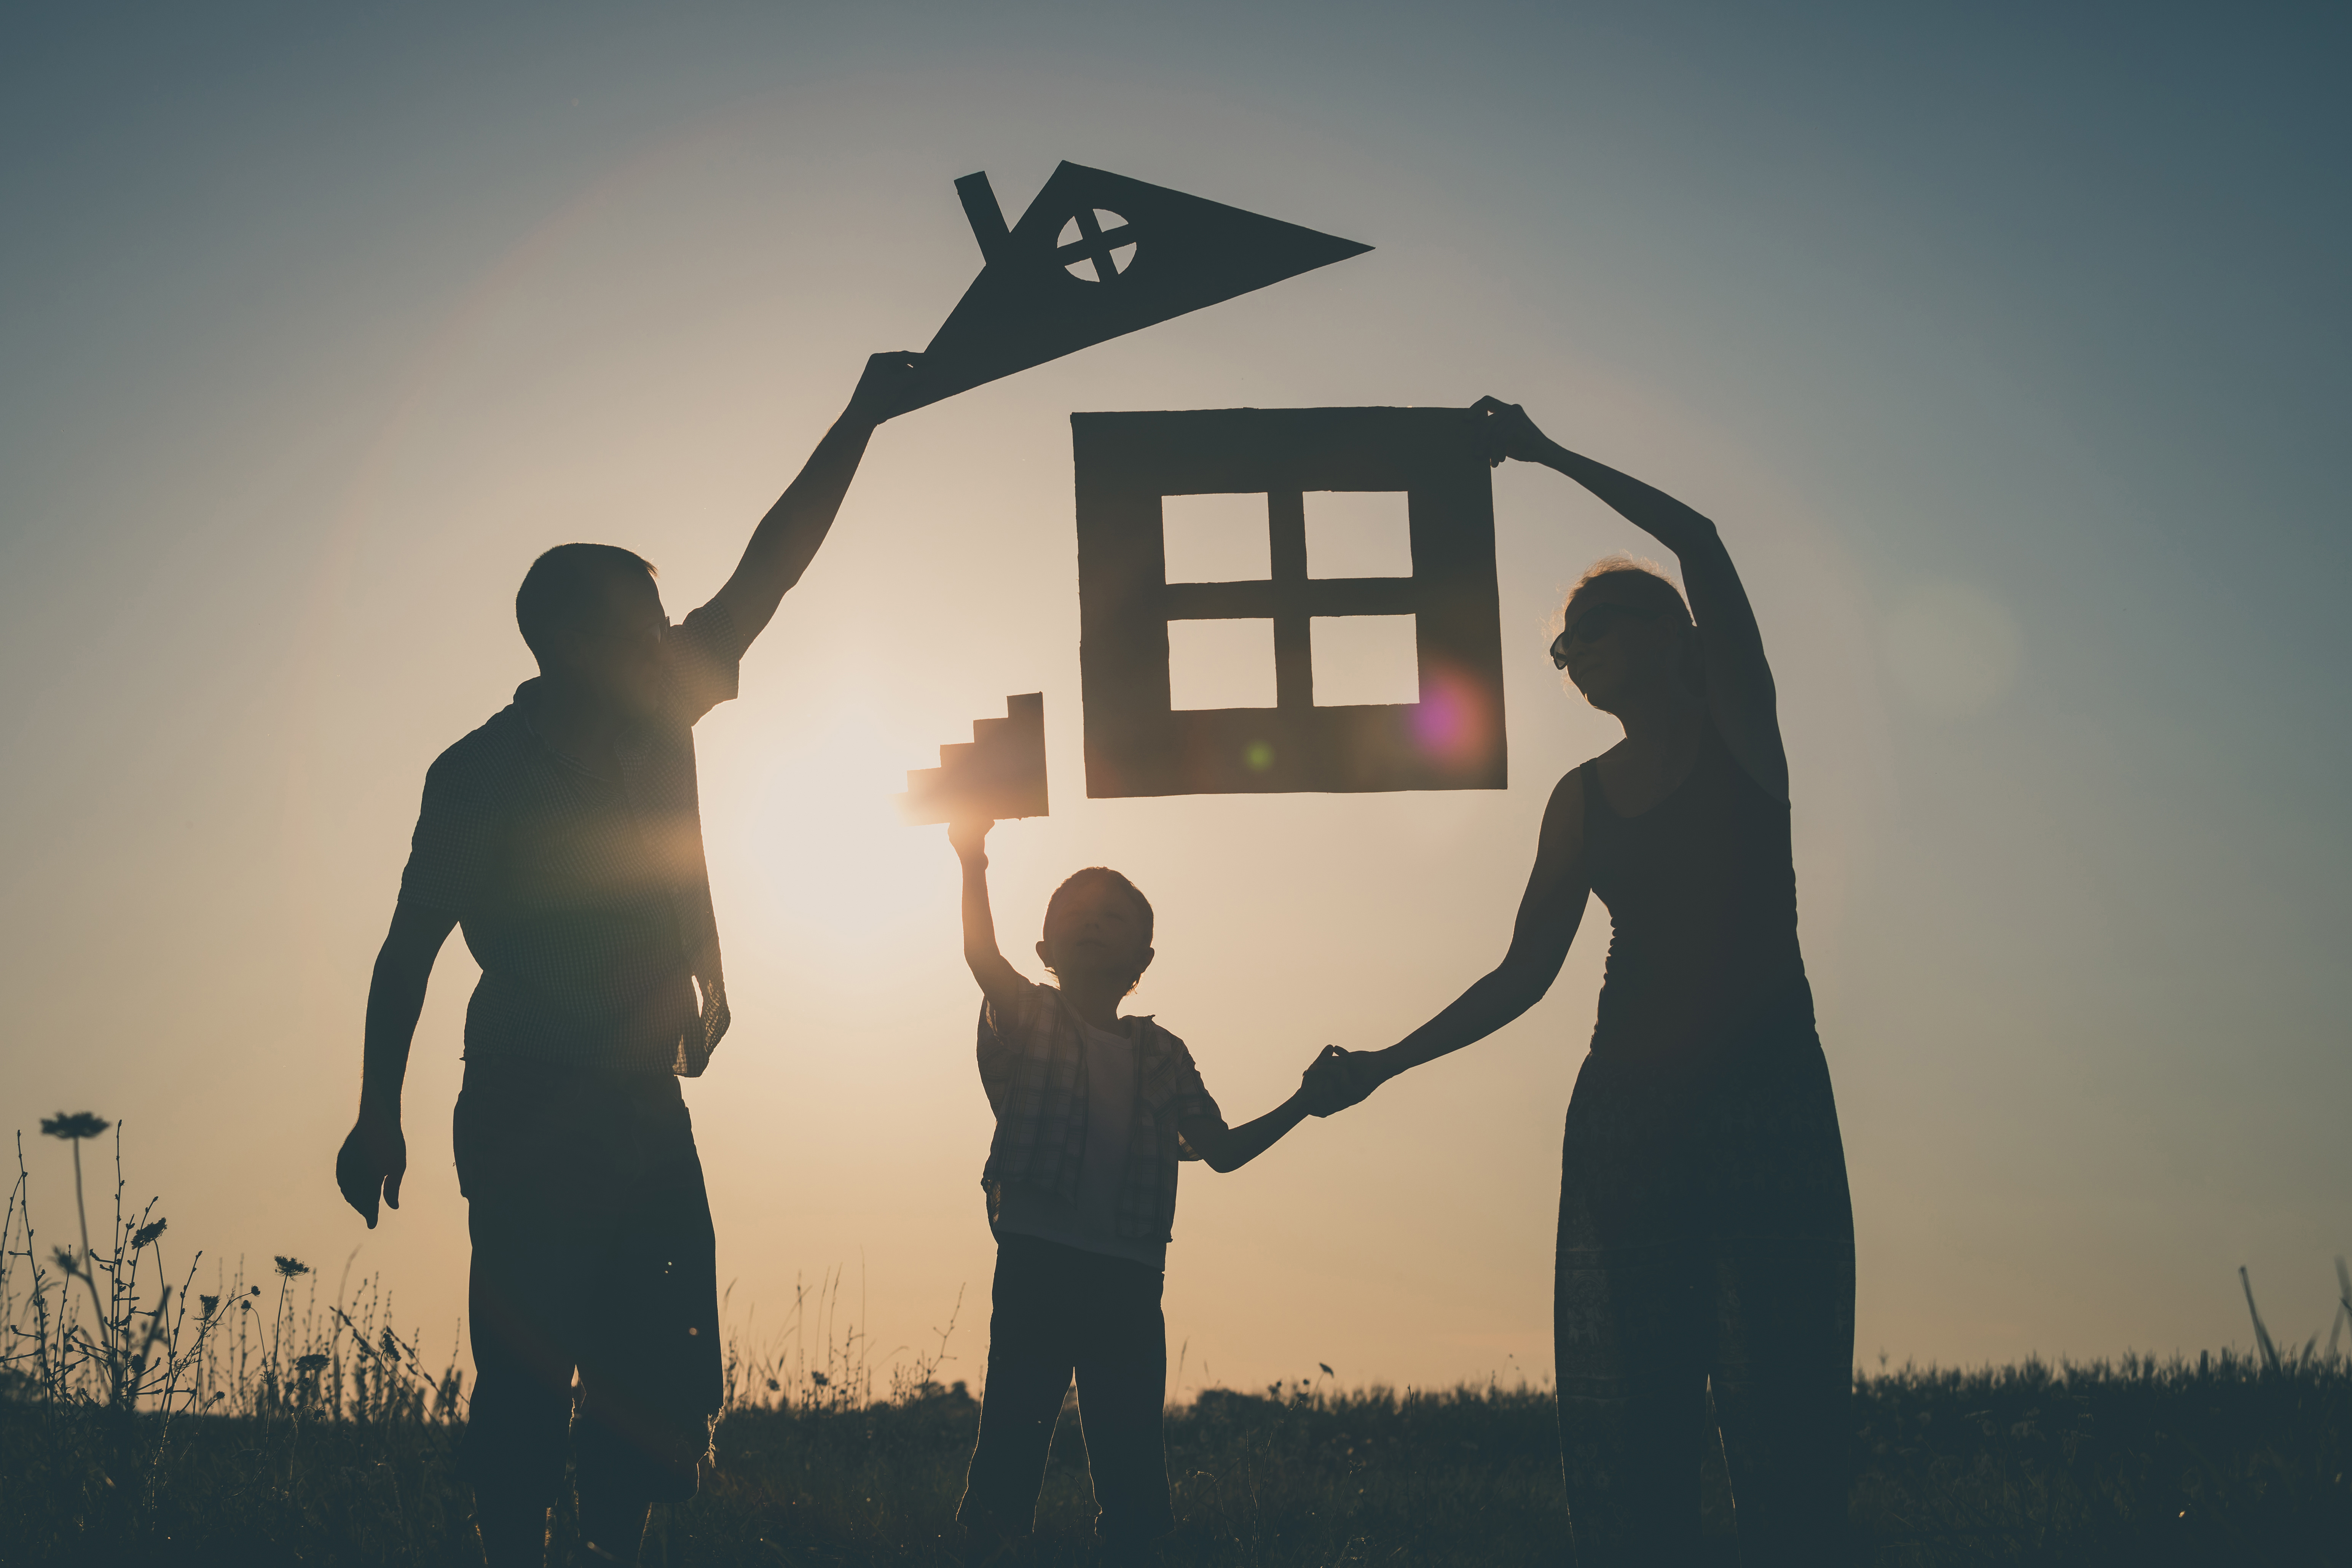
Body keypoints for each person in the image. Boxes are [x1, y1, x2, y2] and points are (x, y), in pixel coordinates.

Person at [332, 350, 923, 1568]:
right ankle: (514, 1547)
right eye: (645, 619)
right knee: (530, 1355)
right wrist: (372, 1115)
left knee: (651, 1355)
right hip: (528, 1091)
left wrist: (861, 417)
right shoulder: (478, 772)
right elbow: (410, 949)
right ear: (572, 639)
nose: (671, 632)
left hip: (641, 1095)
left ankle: (605, 1551)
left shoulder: (660, 712)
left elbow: (774, 567)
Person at [1315, 397, 1857, 1566]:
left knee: (1783, 1390)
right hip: (1629, 1117)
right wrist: (1383, 1064)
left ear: (1667, 634)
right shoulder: (1578, 799)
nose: (1577, 653)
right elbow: (1522, 974)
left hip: (1765, 1099)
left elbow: (1702, 541)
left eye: (1597, 626)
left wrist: (1547, 450)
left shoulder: (1741, 739)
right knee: (1635, 1400)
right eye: (1565, 646)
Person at [945, 817, 1343, 1557]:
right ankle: (991, 1539)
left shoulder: (1164, 1053)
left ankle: (1137, 1544)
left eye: (1112, 918)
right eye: (1075, 917)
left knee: (1132, 1449)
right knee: (1015, 1428)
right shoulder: (1027, 1013)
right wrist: (973, 855)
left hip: (1130, 1273)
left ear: (1143, 958)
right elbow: (979, 951)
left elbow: (1220, 1150)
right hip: (1037, 1256)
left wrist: (1303, 1101)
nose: (1092, 924)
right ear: (1045, 951)